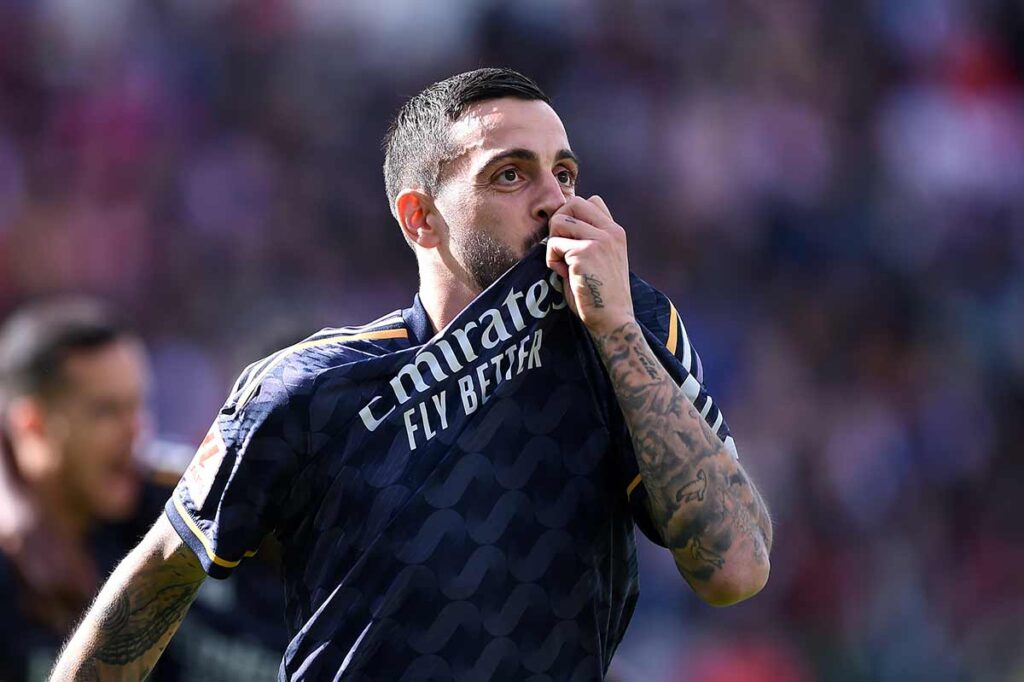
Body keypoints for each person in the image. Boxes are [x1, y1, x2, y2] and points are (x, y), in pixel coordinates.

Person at [52, 68, 773, 681]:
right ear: (420, 218)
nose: (555, 201)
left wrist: (616, 330)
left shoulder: (626, 336)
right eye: (511, 174)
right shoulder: (313, 387)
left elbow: (735, 570)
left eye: (564, 173)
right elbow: (160, 573)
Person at [0, 299, 288, 681]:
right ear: (33, 426)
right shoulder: (15, 569)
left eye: (138, 406)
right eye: (106, 411)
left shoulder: (163, 513)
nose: (136, 431)